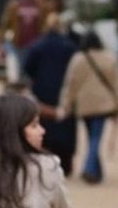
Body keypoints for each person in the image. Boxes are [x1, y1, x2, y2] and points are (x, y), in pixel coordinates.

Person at [57, 30, 118, 185]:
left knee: (92, 137)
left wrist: (66, 104)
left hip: (84, 105)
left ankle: (96, 172)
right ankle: (91, 169)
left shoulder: (78, 59)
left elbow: (70, 84)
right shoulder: (110, 58)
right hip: (103, 105)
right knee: (95, 138)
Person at [21, 13, 80, 176]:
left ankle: (44, 161)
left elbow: (27, 68)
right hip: (64, 91)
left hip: (43, 91)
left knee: (44, 127)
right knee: (66, 128)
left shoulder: (37, 46)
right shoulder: (70, 46)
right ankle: (66, 164)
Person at [0, 0, 47, 84]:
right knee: (20, 73)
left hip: (35, 45)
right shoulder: (14, 5)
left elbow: (45, 23)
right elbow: (5, 24)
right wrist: (2, 42)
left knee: (33, 73)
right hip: (19, 44)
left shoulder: (40, 5)